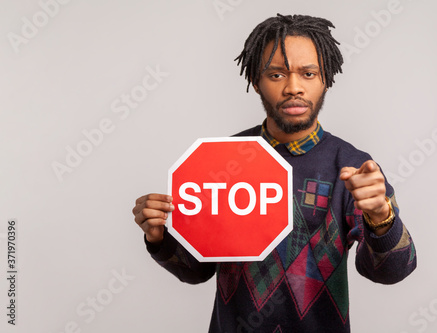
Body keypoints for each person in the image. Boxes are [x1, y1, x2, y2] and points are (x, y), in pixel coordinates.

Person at [132, 13, 417, 332]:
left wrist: (381, 216)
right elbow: (197, 270)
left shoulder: (352, 167)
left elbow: (391, 270)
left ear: (326, 79)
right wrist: (158, 237)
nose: (294, 87)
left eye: (308, 73)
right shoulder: (223, 159)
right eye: (277, 74)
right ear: (256, 80)